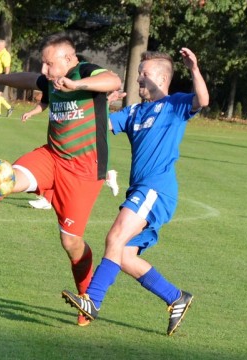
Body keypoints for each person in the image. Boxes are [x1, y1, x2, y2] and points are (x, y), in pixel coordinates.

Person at [0, 33, 122, 326]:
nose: (45, 71)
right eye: (44, 65)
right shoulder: (51, 78)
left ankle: (87, 300)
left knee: (71, 243)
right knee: (5, 178)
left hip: (84, 172)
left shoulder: (84, 72)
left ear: (68, 59)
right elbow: (28, 79)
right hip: (52, 156)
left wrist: (77, 85)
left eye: (49, 64)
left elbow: (113, 81)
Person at [61, 47, 209, 336]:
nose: (138, 78)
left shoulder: (175, 105)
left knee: (114, 237)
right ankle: (176, 297)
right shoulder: (134, 112)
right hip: (139, 191)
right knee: (125, 255)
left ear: (162, 79)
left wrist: (193, 68)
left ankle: (93, 301)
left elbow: (203, 100)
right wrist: (102, 102)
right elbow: (96, 127)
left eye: (144, 73)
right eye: (139, 73)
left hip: (156, 190)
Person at [0, 39, 14, 117]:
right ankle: (9, 108)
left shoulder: (5, 54)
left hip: (2, 76)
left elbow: (7, 67)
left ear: (4, 46)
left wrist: (5, 78)